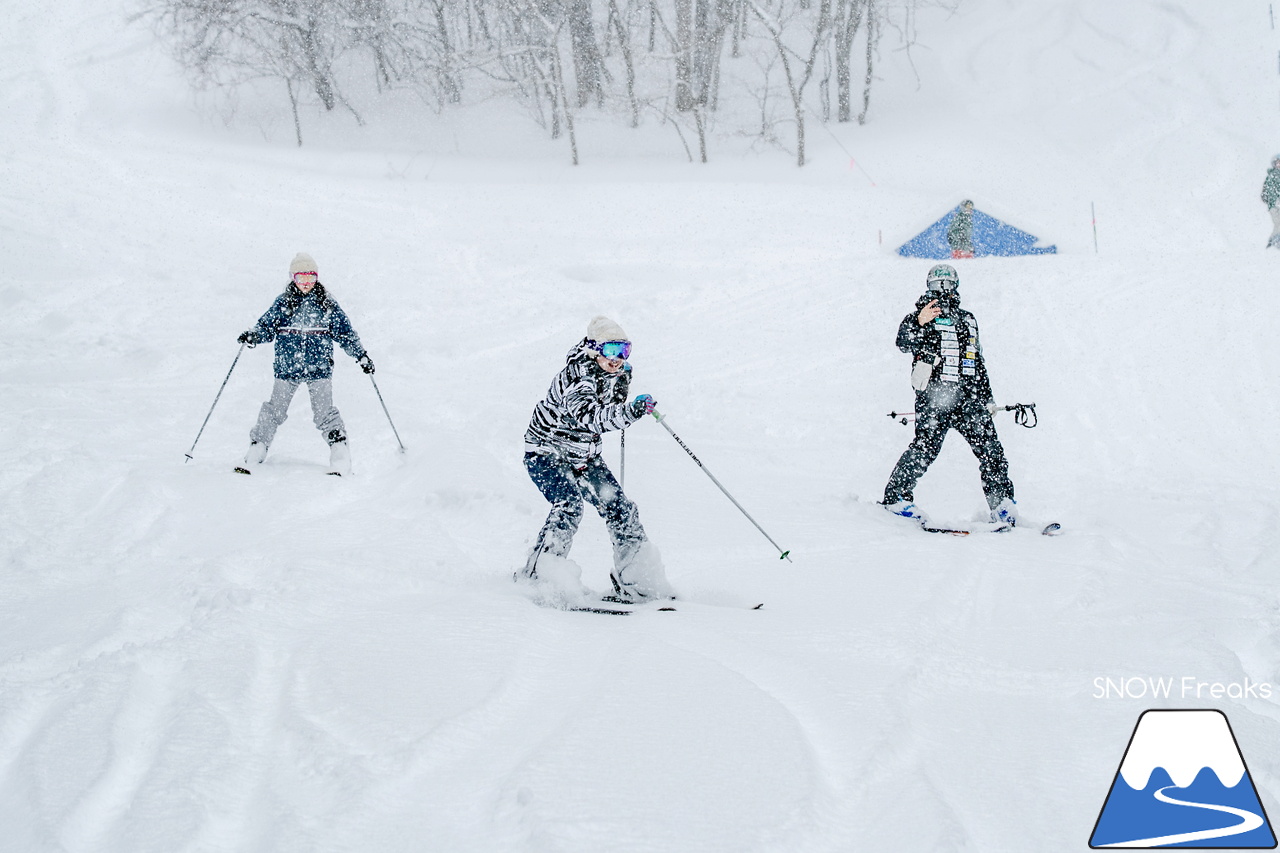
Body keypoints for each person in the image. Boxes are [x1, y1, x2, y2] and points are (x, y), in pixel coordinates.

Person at [519, 316, 673, 601]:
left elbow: (611, 407)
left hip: (584, 457)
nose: (618, 359)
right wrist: (630, 412)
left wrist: (627, 398)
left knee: (620, 508)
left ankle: (638, 579)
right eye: (611, 350)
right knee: (569, 505)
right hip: (546, 452)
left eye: (624, 350)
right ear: (593, 349)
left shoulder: (618, 373)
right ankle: (539, 578)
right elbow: (591, 418)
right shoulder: (576, 377)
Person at [881, 264, 1017, 527]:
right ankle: (896, 498)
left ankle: (1002, 505)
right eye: (936, 285)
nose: (943, 291)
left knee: (991, 451)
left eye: (948, 285)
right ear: (929, 286)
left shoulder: (967, 319)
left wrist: (988, 398)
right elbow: (903, 343)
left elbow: (977, 362)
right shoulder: (919, 317)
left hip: (970, 400)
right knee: (924, 448)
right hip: (934, 401)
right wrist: (920, 321)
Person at [237, 252, 374, 476]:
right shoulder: (283, 303)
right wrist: (253, 336)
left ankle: (340, 454)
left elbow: (345, 334)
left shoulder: (326, 304)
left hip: (318, 369)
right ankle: (257, 449)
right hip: (287, 368)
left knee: (324, 413)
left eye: (311, 278)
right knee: (274, 410)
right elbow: (266, 326)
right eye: (302, 278)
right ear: (293, 278)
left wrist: (361, 356)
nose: (307, 284)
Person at [1261, 157, 1280, 248]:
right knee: (1278, 223)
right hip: (1274, 205)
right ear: (1274, 164)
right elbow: (1265, 192)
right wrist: (1271, 200)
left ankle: (1274, 241)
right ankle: (1273, 241)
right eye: (1278, 163)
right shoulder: (1272, 176)